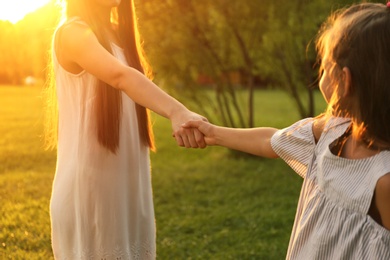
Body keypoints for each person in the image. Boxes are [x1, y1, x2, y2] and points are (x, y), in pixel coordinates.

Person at [183, 2, 390, 259]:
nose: (320, 74)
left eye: (325, 67)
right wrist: (212, 132)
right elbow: (272, 141)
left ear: (344, 81)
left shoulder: (383, 179)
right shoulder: (331, 131)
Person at [44, 0, 206, 259]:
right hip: (91, 188)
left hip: (127, 179)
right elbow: (121, 76)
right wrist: (177, 111)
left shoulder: (119, 32)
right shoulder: (72, 33)